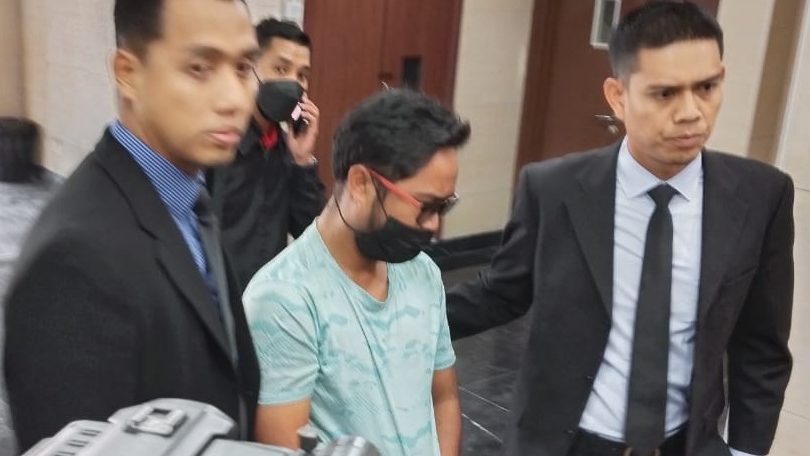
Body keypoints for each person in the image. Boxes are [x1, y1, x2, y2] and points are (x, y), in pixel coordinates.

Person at [447, 3, 794, 456]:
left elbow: (762, 348)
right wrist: (390, 313)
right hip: (565, 444)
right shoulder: (553, 189)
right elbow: (501, 292)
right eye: (664, 94)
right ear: (617, 96)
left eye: (707, 87)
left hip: (686, 444)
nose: (691, 113)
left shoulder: (761, 196)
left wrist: (746, 451)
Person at [3, 0, 261, 450]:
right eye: (200, 68)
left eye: (243, 68)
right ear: (128, 73)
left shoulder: (187, 199)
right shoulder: (74, 259)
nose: (235, 99)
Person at [243, 89, 470, 456]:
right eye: (426, 206)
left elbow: (443, 397)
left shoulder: (423, 273)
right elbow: (285, 448)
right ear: (362, 183)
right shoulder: (283, 298)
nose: (433, 225)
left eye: (444, 207)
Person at [208, 18, 325, 288]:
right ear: (250, 68)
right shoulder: (217, 143)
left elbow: (312, 236)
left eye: (302, 75)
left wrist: (302, 162)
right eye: (281, 69)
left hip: (267, 300)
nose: (293, 82)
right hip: (219, 299)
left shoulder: (287, 150)